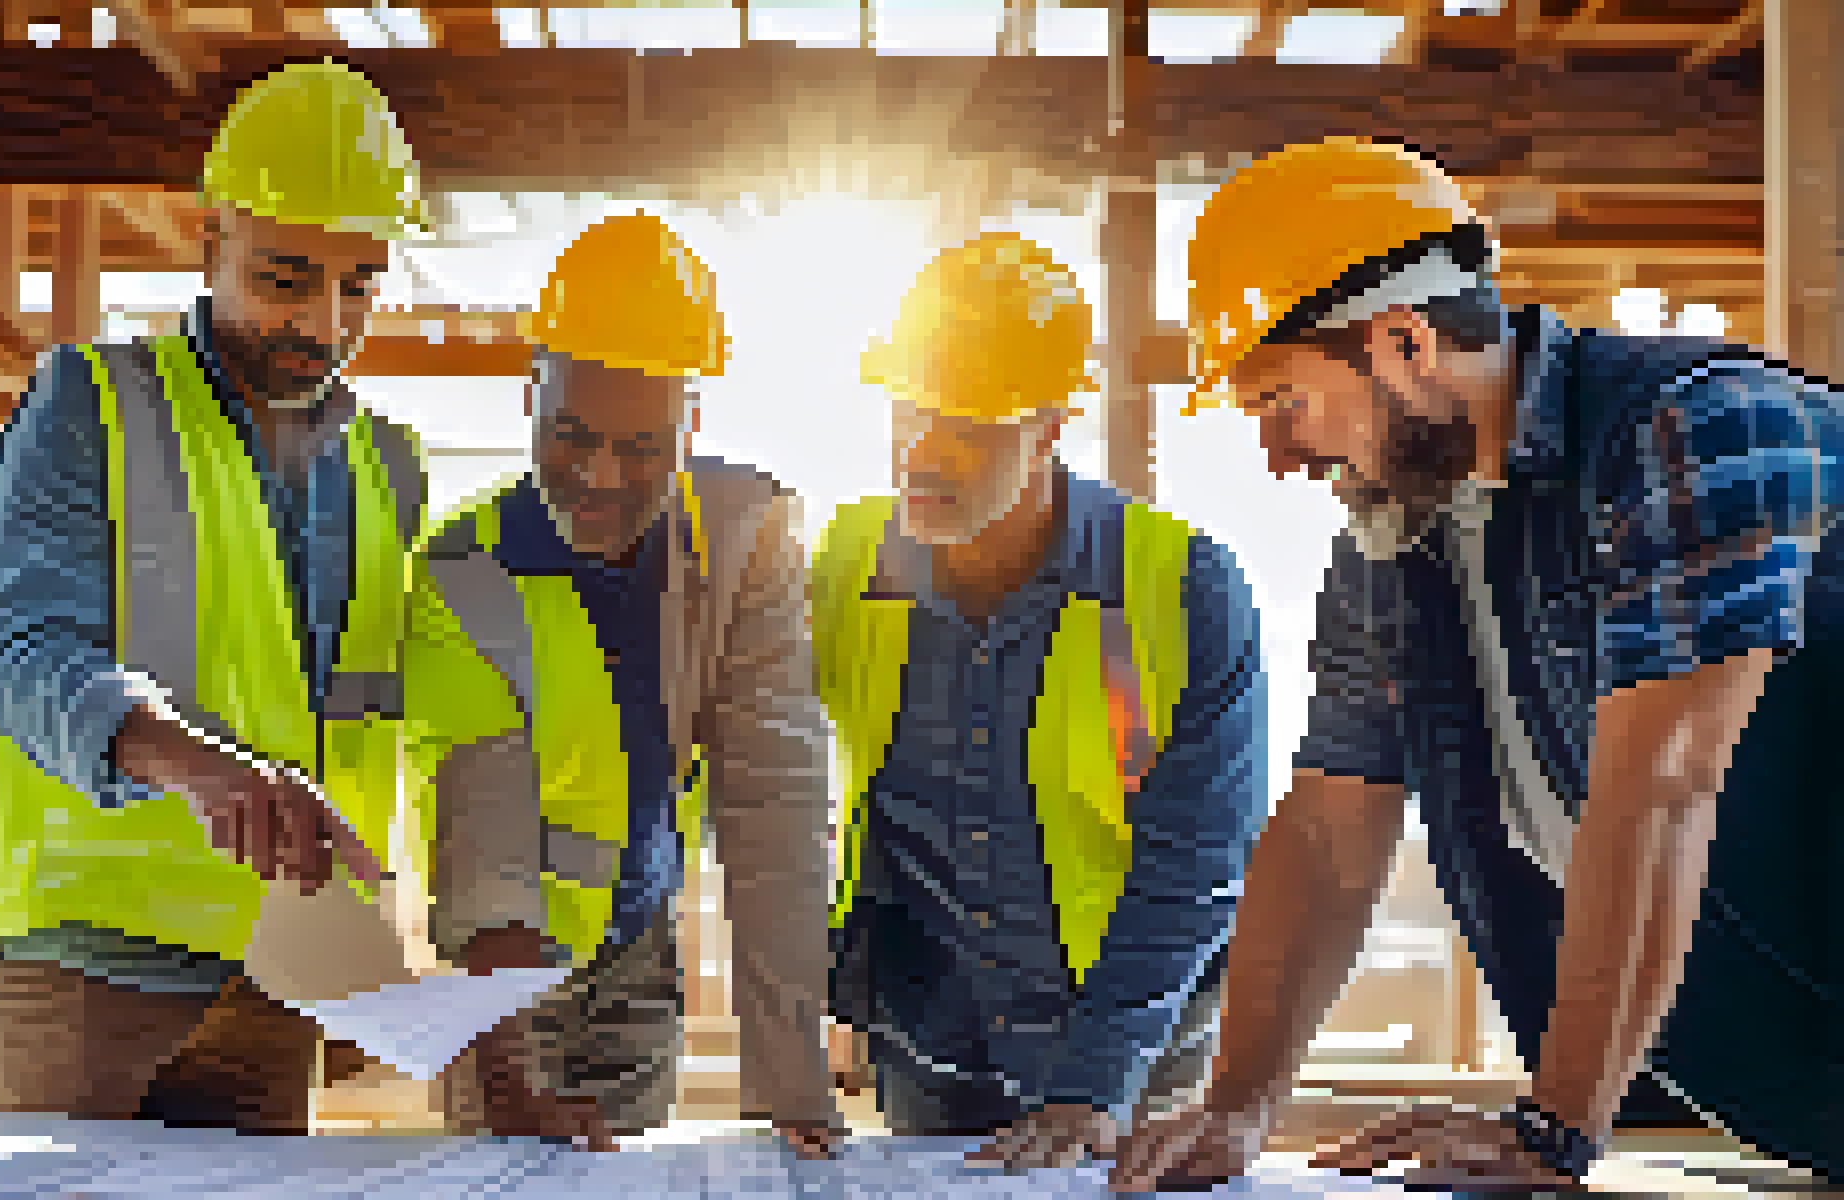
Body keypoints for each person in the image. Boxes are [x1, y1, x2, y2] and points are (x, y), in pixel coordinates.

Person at [1113, 136, 1844, 1190]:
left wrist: (1554, 1127)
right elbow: (1327, 824)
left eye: (1284, 401)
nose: (1277, 456)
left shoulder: (1700, 429)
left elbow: (1663, 789)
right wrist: (1238, 1107)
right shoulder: (1394, 544)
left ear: (1403, 342)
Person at [0, 62, 428, 1131]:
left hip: (282, 979)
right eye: (285, 276)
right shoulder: (92, 403)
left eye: (359, 284)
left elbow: (383, 723)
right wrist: (198, 764)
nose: (322, 321)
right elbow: (28, 651)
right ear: (208, 234)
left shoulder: (389, 466)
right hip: (91, 974)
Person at [815, 234, 1266, 1168]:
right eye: (909, 410)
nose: (922, 452)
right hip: (929, 1054)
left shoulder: (1179, 588)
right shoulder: (846, 563)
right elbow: (759, 770)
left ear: (1050, 428)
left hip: (1128, 1061)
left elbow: (1194, 865)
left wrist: (1093, 1086)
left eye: (967, 427)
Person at [406, 213, 844, 1158]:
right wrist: (508, 1076)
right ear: (531, 397)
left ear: (691, 422)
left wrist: (793, 1083)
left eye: (642, 446)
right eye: (571, 436)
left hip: (639, 956)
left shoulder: (742, 539)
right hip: (505, 976)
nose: (600, 477)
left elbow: (774, 802)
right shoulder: (466, 569)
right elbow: (487, 843)